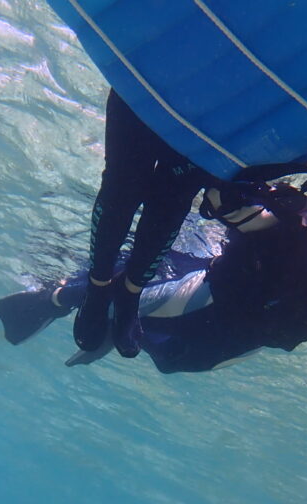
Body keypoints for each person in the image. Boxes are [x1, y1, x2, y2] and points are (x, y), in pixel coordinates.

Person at [0, 184, 307, 373]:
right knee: (125, 282)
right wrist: (268, 193)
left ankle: (103, 329)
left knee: (133, 314)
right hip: (191, 306)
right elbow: (221, 199)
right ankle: (52, 302)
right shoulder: (286, 231)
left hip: (206, 353)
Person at [72, 89, 216, 359]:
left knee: (174, 198)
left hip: (213, 96)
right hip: (151, 76)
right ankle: (99, 285)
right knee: (122, 185)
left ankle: (130, 290)